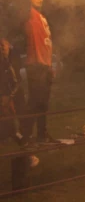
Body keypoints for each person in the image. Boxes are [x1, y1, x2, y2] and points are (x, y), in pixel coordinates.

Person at [22, 0, 56, 143]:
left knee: (44, 103)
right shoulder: (30, 16)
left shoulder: (42, 17)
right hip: (35, 65)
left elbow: (46, 43)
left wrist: (49, 65)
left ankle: (42, 134)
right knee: (34, 102)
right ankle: (26, 136)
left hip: (45, 66)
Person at [0, 38, 39, 167]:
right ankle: (26, 149)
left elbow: (14, 79)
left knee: (20, 121)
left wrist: (8, 97)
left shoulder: (13, 56)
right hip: (7, 95)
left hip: (14, 94)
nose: (2, 49)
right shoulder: (4, 60)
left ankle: (28, 152)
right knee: (9, 126)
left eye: (3, 46)